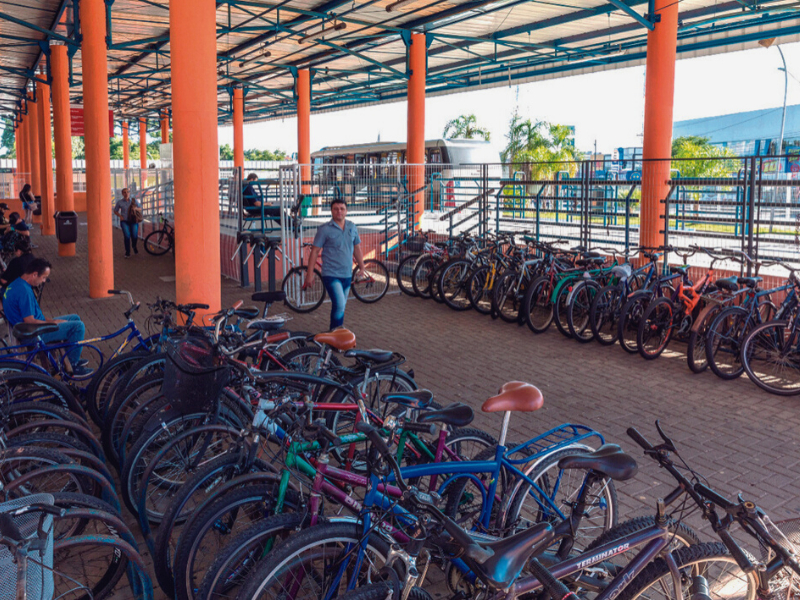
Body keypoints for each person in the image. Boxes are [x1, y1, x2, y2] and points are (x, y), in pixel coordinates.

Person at [2, 258, 90, 375]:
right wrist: (52, 323)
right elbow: (30, 321)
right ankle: (72, 365)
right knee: (78, 327)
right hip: (33, 334)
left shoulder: (17, 283)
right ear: (34, 275)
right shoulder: (24, 291)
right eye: (43, 277)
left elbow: (34, 317)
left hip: (27, 328)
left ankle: (70, 357)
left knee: (74, 318)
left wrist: (53, 321)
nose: (43, 281)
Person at [303, 198, 366, 330]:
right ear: (331, 211)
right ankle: (336, 335)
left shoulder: (352, 227)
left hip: (347, 274)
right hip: (331, 274)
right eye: (336, 209)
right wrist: (309, 274)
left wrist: (362, 266)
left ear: (346, 211)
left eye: (342, 209)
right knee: (339, 304)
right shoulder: (324, 229)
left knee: (341, 306)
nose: (339, 211)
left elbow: (357, 248)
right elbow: (314, 252)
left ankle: (336, 335)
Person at [113, 188, 139, 258]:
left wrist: (135, 209)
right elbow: (115, 211)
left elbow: (140, 208)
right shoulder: (120, 202)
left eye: (127, 192)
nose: (126, 193)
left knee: (134, 236)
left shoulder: (134, 201)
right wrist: (120, 216)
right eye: (124, 192)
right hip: (124, 221)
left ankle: (134, 246)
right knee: (127, 236)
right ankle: (127, 252)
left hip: (133, 221)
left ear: (129, 193)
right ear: (122, 194)